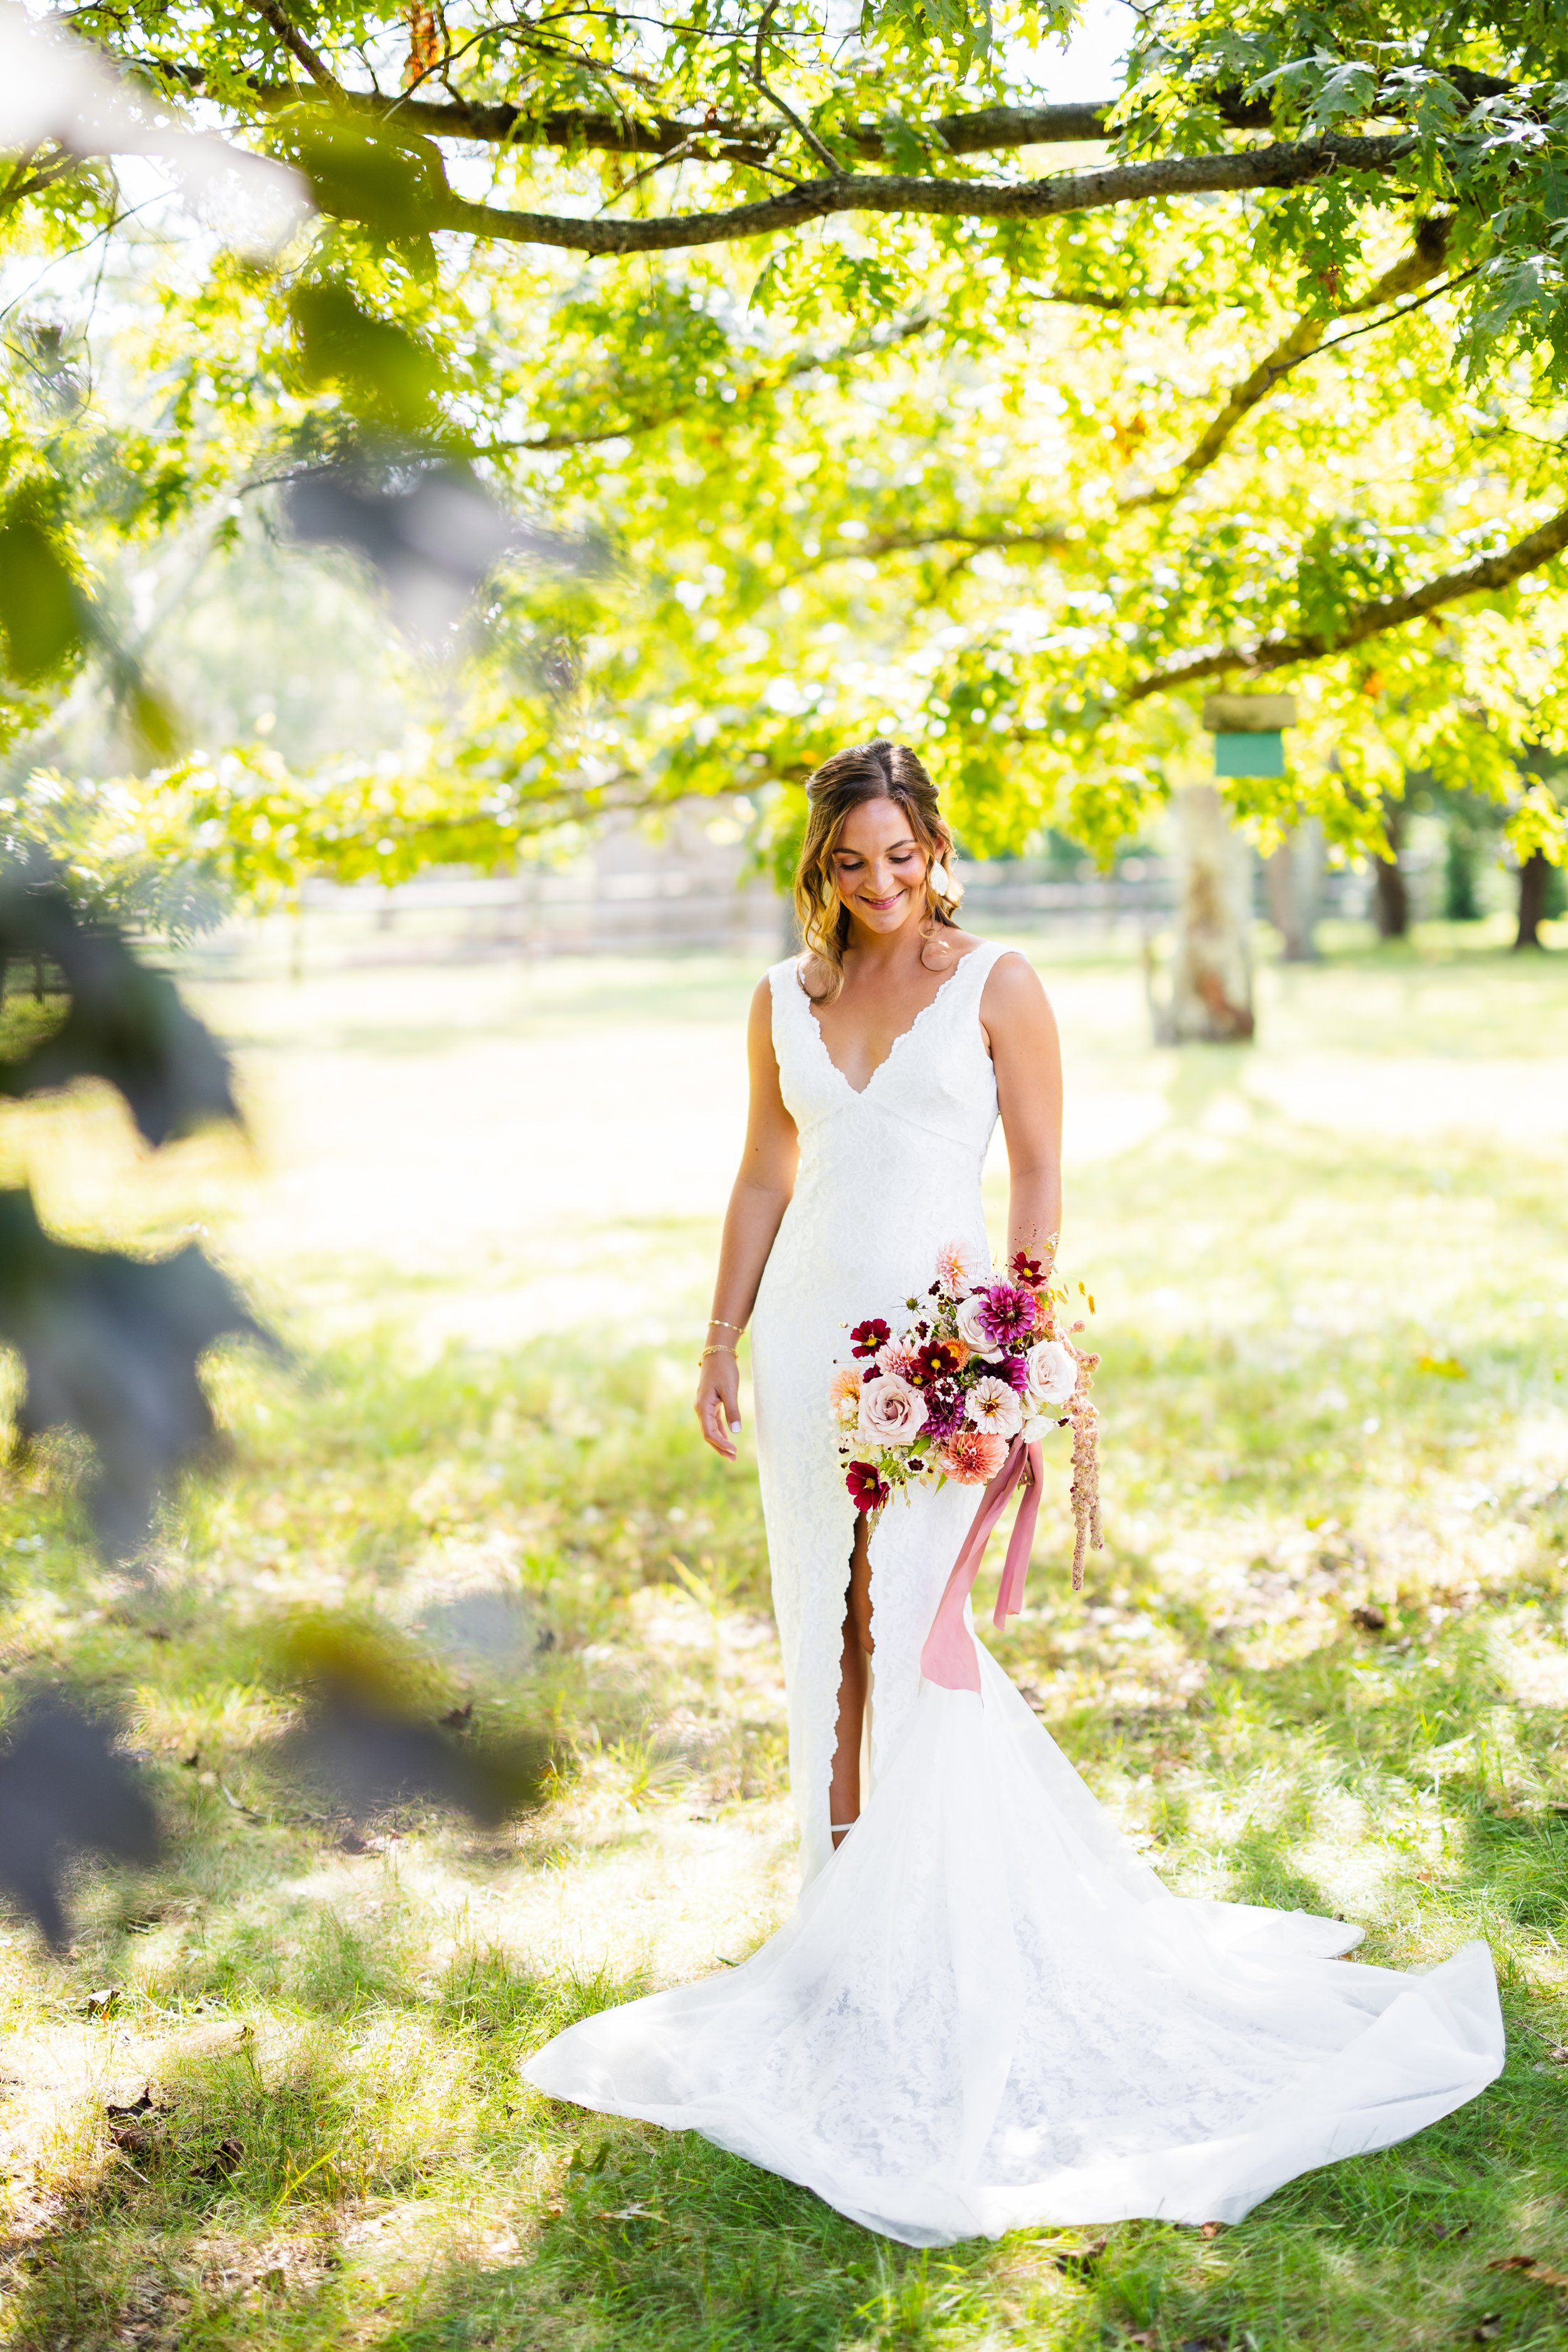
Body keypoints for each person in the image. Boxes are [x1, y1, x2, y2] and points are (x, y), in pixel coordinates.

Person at [523, 739, 1503, 2245]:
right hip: (802, 1359)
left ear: (934, 851)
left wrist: (1017, 1348)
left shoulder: (999, 986)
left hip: (932, 1361)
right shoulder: (778, 1000)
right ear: (818, 869)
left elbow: (1037, 1179)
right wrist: (718, 1341)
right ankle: (840, 1930)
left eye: (897, 858)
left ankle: (936, 1945)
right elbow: (762, 1177)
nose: (876, 886)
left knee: (918, 1638)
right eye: (849, 864)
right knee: (824, 1639)